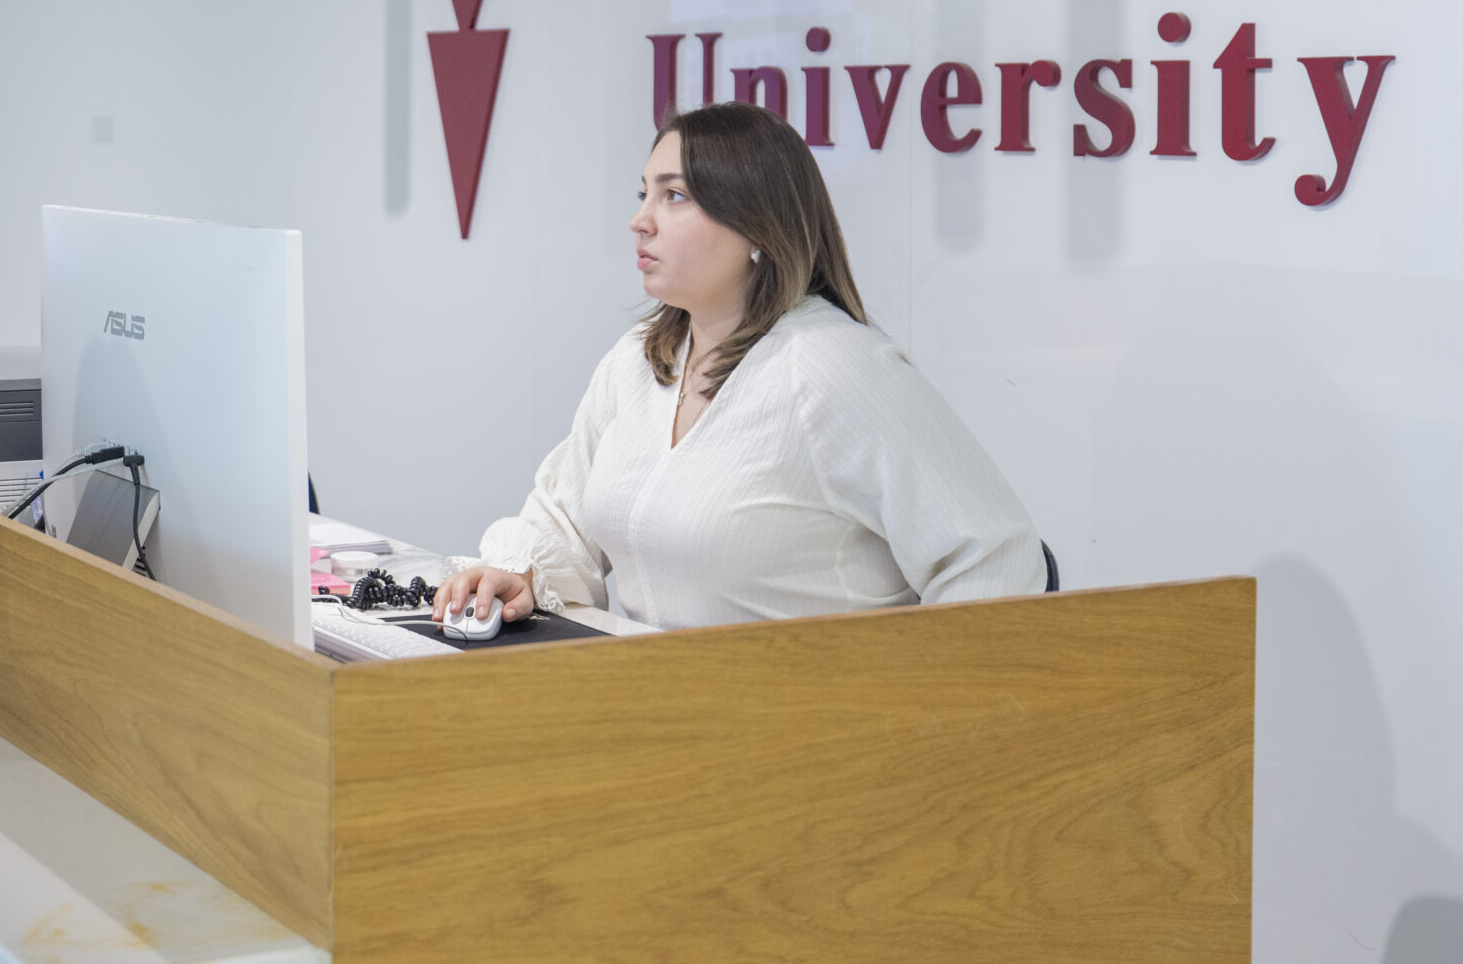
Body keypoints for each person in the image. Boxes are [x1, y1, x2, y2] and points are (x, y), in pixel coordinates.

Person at [432, 100, 1043, 631]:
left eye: (674, 196)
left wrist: (905, 708)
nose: (640, 220)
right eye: (644, 194)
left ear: (755, 225)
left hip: (803, 716)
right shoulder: (638, 361)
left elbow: (993, 561)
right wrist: (518, 573)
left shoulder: (833, 368)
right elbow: (565, 519)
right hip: (656, 700)